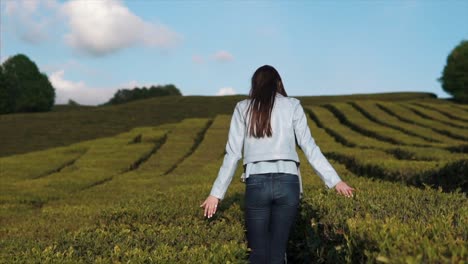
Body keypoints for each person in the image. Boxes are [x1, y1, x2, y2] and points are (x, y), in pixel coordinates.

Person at [200, 65, 355, 264]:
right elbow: (309, 147)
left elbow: (232, 154)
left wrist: (216, 193)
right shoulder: (293, 105)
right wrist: (335, 181)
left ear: (255, 84)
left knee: (258, 252)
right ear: (278, 83)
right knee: (277, 251)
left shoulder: (242, 108)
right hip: (287, 183)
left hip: (256, 183)